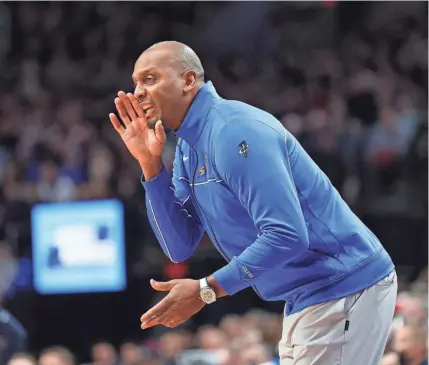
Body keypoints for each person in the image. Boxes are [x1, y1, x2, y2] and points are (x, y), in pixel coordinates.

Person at [109, 41, 397, 365]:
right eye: (135, 82)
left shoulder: (234, 131)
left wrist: (207, 289)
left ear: (188, 81)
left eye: (150, 79)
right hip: (310, 295)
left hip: (343, 284)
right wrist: (150, 166)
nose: (137, 92)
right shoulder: (188, 147)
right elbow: (179, 246)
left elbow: (287, 234)